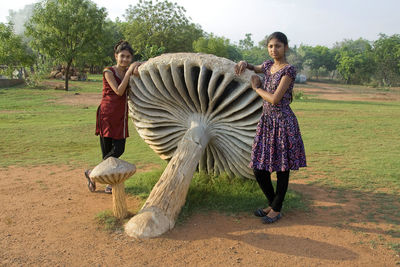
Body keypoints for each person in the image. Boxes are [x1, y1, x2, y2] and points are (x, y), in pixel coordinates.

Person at [235, 32, 307, 223]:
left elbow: (275, 99)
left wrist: (256, 88)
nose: (274, 50)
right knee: (259, 168)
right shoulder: (268, 66)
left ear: (286, 47)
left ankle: (276, 208)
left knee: (282, 168)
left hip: (283, 122)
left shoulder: (288, 70)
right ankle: (273, 204)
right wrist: (244, 63)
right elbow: (254, 67)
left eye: (278, 46)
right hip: (267, 122)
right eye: (270, 46)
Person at [84, 40, 142, 194]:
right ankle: (109, 183)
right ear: (116, 56)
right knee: (108, 152)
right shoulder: (108, 71)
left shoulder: (127, 72)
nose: (125, 59)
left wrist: (136, 66)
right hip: (107, 114)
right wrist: (129, 72)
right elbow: (118, 91)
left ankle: (92, 174)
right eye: (122, 56)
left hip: (121, 116)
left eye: (128, 57)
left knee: (119, 149)